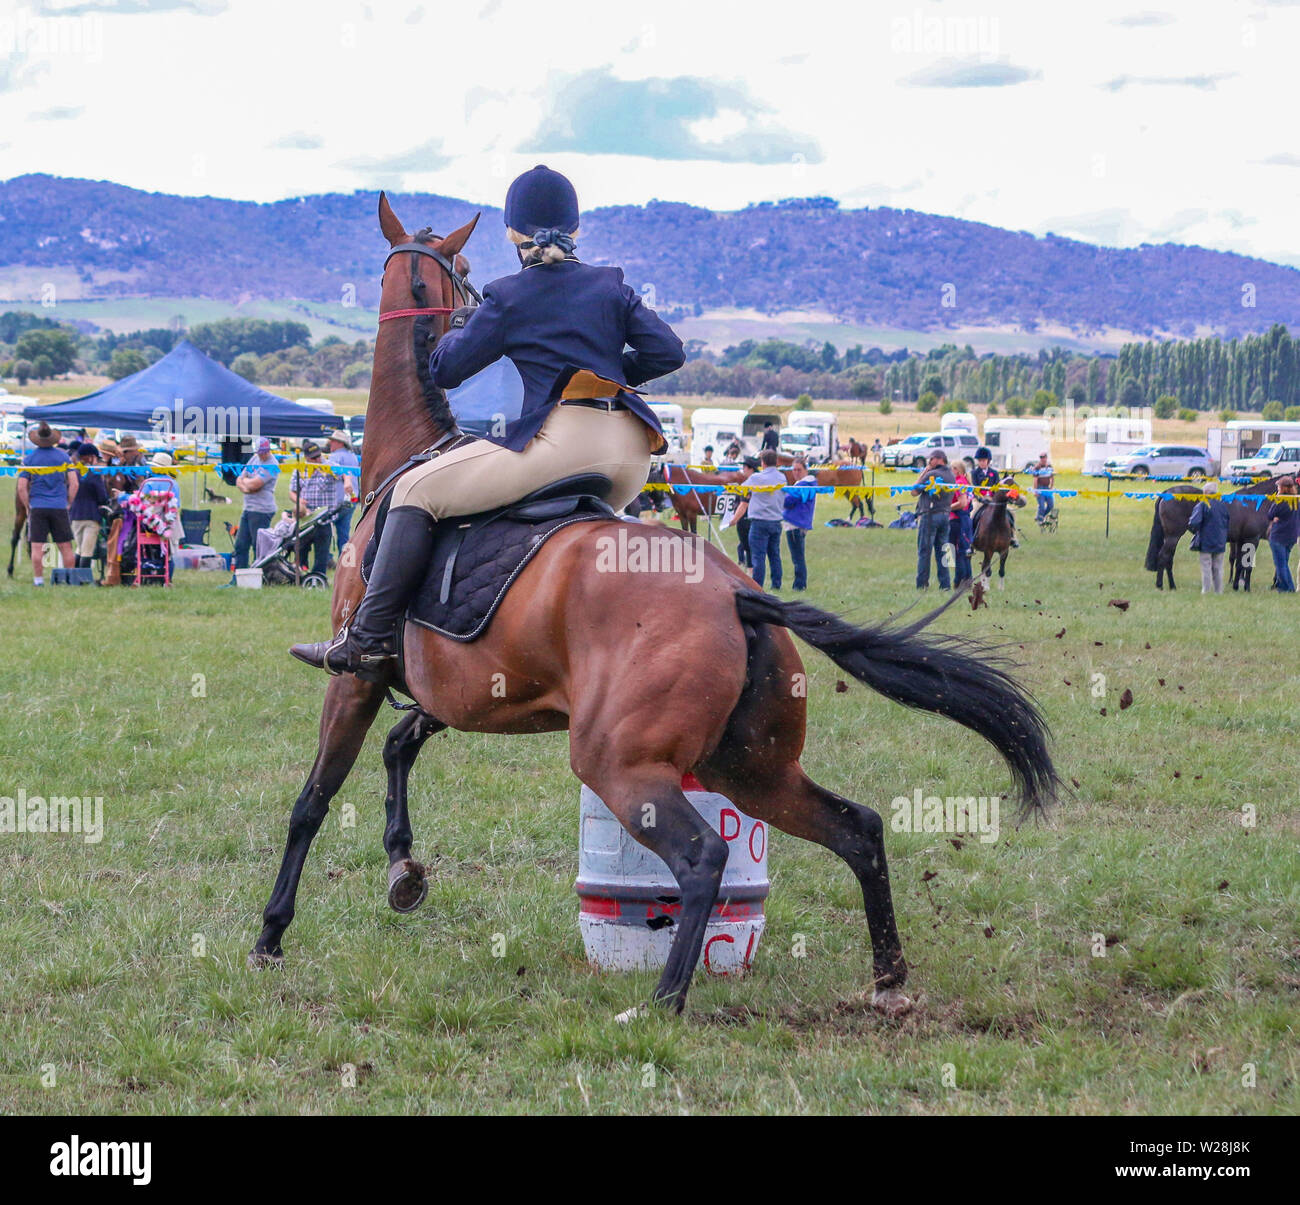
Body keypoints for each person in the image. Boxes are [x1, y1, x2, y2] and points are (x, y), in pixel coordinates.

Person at [292, 165, 685, 679]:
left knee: (414, 491)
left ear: (512, 235)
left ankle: (366, 641)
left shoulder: (508, 294)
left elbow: (446, 370)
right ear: (577, 229)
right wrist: (604, 375)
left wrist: (467, 324)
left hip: (564, 446)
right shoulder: (612, 285)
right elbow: (668, 351)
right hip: (632, 455)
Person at [17, 422, 77, 586]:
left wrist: (28, 506)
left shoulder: (29, 459)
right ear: (53, 439)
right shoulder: (63, 457)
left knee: (38, 547)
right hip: (59, 506)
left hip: (38, 506)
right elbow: (74, 483)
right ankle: (70, 580)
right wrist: (68, 503)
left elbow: (22, 487)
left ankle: (38, 581)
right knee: (65, 546)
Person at [738, 449, 787, 589]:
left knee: (758, 556)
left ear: (762, 462)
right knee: (774, 555)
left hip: (759, 522)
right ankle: (776, 584)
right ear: (776, 462)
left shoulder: (756, 478)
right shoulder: (782, 477)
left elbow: (741, 489)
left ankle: (757, 586)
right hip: (776, 521)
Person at [289, 440, 336, 578]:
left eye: (318, 456)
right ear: (306, 458)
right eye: (313, 458)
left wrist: (348, 482)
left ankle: (318, 576)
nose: (317, 459)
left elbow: (345, 473)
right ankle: (301, 573)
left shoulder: (329, 466)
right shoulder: (300, 469)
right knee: (301, 548)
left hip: (323, 519)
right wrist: (298, 500)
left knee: (322, 553)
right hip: (305, 519)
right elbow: (292, 492)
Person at [233, 437, 281, 569]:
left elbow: (256, 484)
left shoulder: (272, 464)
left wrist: (248, 484)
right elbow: (240, 479)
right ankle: (239, 576)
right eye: (259, 452)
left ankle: (259, 575)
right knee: (240, 545)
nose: (261, 455)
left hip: (262, 510)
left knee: (258, 546)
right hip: (248, 508)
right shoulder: (254, 458)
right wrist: (247, 488)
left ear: (268, 450)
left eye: (264, 452)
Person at [912, 449, 955, 590]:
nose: (929, 462)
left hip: (930, 516)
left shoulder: (932, 474)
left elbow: (914, 491)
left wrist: (925, 471)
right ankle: (945, 584)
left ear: (939, 459)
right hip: (945, 515)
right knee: (942, 551)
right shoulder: (951, 475)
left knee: (925, 551)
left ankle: (922, 584)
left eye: (931, 459)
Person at [69, 442, 110, 571]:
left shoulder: (73, 473)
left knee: (80, 548)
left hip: (75, 516)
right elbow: (102, 497)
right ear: (91, 457)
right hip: (91, 516)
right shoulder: (94, 474)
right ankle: (83, 579)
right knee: (87, 551)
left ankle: (74, 576)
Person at [1187, 480, 1231, 594]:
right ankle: (1218, 591)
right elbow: (1227, 522)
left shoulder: (1202, 505)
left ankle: (1206, 590)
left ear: (1205, 492)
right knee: (1218, 567)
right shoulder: (1223, 506)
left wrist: (1195, 532)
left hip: (1205, 540)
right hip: (1221, 541)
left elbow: (1194, 522)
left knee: (1206, 567)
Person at [970, 446, 1017, 547]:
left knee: (1011, 512)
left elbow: (997, 488)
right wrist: (980, 499)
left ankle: (1012, 536)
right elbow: (973, 488)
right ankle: (971, 539)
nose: (981, 462)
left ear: (988, 461)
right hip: (979, 500)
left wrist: (998, 498)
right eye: (980, 460)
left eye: (984, 460)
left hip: (993, 500)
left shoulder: (994, 473)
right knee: (972, 513)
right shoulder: (974, 473)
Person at [782, 456, 816, 591]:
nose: (796, 472)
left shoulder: (803, 485)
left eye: (799, 470)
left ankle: (799, 585)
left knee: (797, 557)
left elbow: (788, 501)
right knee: (798, 556)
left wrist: (780, 496)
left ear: (806, 470)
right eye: (794, 470)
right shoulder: (809, 484)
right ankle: (800, 583)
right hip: (800, 522)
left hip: (795, 523)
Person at [327, 429, 360, 556]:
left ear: (340, 443)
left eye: (333, 441)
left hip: (337, 499)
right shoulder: (352, 456)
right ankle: (344, 559)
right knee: (344, 532)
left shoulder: (335, 457)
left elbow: (333, 472)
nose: (330, 444)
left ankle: (328, 557)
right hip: (352, 498)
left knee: (326, 530)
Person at [1266, 476, 1298, 593]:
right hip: (1291, 536)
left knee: (1280, 564)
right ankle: (1289, 587)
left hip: (1278, 536)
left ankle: (1286, 588)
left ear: (1283, 488)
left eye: (1279, 486)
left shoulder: (1281, 501)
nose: (1277, 488)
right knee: (1284, 563)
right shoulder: (1296, 501)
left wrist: (1276, 500)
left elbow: (1270, 514)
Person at [949, 462, 974, 586]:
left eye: (951, 469)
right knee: (964, 551)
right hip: (965, 520)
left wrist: (946, 508)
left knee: (957, 552)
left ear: (957, 470)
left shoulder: (959, 483)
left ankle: (959, 581)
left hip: (957, 519)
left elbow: (963, 503)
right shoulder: (966, 482)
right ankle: (968, 579)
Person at [1031, 451, 1055, 526]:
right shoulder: (1037, 467)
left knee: (1051, 505)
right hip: (1040, 488)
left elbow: (1052, 477)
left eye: (1044, 457)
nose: (1042, 459)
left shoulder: (1049, 467)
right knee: (1041, 505)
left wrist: (1051, 487)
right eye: (1041, 457)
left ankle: (1039, 516)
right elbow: (1035, 480)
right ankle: (1040, 521)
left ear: (1046, 458)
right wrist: (1035, 490)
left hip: (1047, 488)